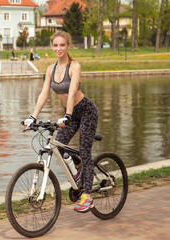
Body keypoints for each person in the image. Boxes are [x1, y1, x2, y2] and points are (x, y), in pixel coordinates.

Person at [23, 31, 98, 213]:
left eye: (62, 45)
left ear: (68, 46)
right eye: (55, 45)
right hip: (69, 113)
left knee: (84, 150)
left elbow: (72, 93)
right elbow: (44, 94)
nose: (58, 49)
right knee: (59, 146)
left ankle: (87, 196)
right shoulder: (50, 69)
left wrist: (68, 115)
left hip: (85, 110)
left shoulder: (74, 66)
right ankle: (78, 166)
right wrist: (33, 116)